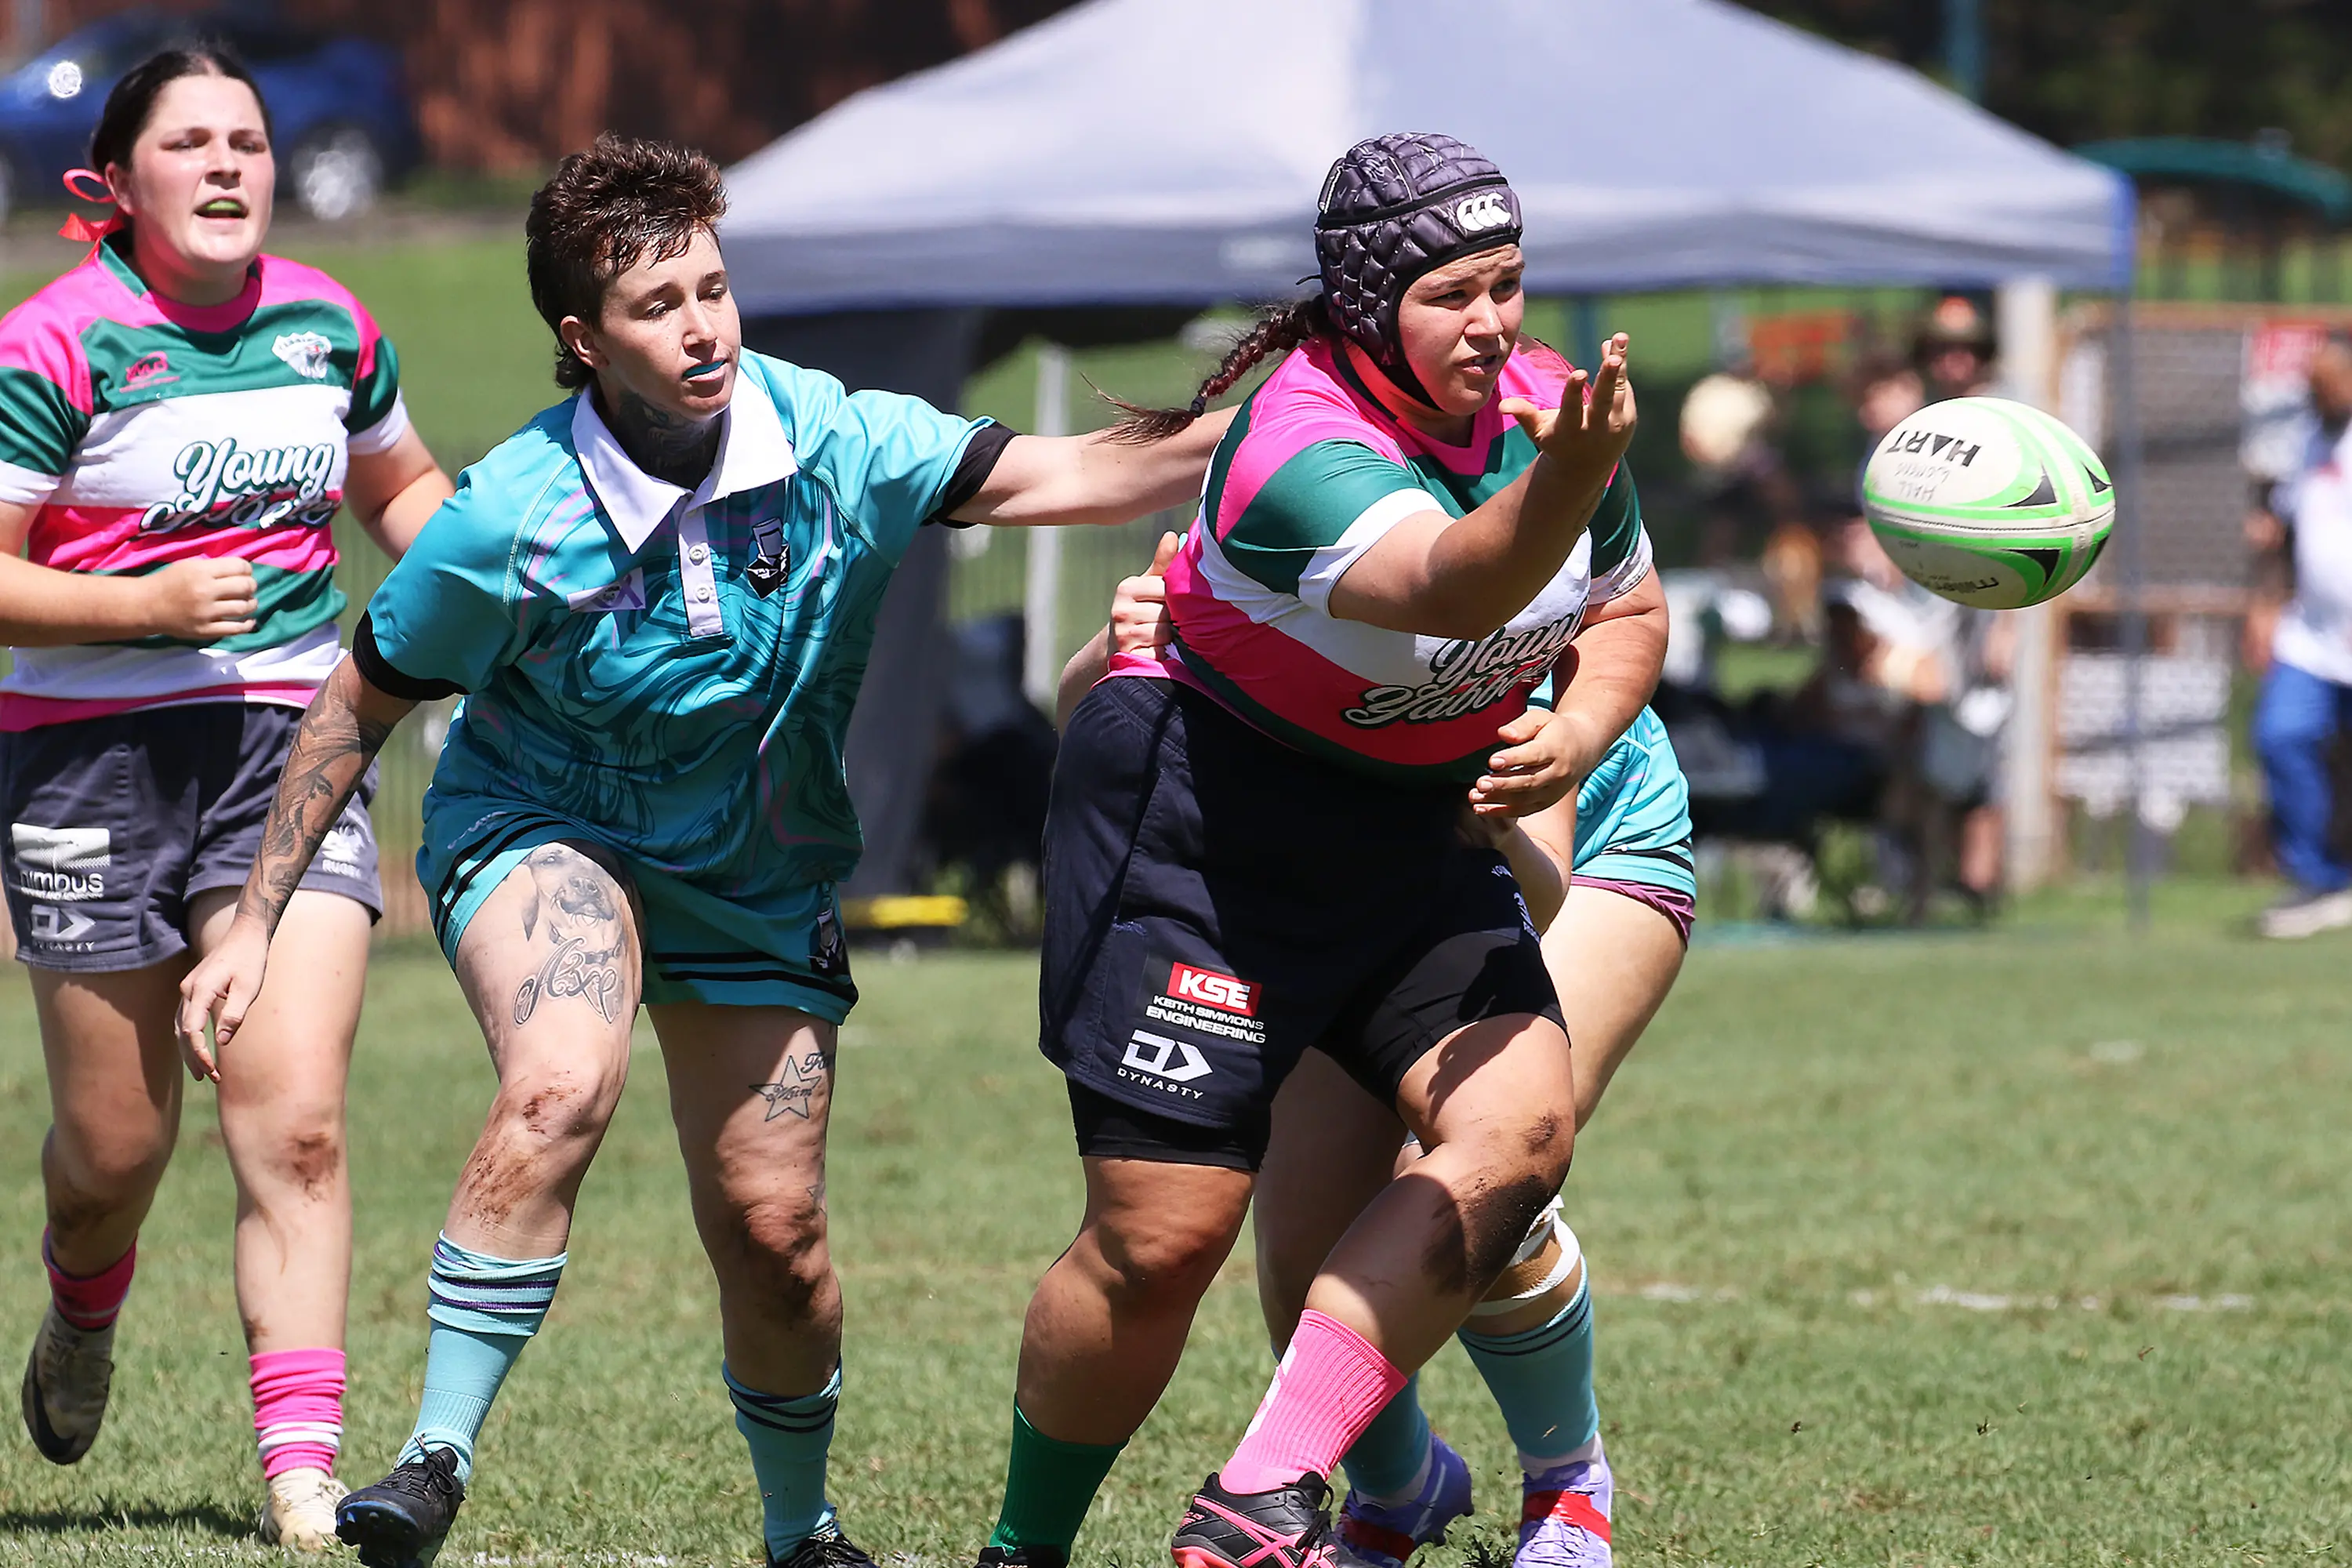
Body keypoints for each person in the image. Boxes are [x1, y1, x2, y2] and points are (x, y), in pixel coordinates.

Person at [176, 134, 1231, 1568]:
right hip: (546, 823)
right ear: (581, 338)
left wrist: (1290, 420)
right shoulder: (511, 516)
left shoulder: (838, 443)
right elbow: (358, 695)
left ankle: (802, 1533)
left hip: (755, 865)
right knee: (562, 1081)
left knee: (775, 1233)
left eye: (714, 288)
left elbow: (1079, 473)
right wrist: (250, 920)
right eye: (658, 304)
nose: (702, 326)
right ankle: (432, 1461)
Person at [968, 132, 1637, 1568]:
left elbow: (1627, 615)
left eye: (1512, 285)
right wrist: (1571, 479)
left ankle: (1264, 1495)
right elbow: (1456, 585)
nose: (1496, 324)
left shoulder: (1543, 415)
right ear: (1366, 300)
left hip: (1407, 830)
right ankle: (1024, 1549)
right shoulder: (1300, 446)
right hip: (1206, 832)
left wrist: (1575, 736)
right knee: (1163, 1246)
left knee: (1520, 1129)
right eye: (1455, 293)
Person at [0, 45, 452, 1550]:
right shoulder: (57, 346)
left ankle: (302, 1479)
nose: (227, 167)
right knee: (117, 1152)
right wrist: (139, 611)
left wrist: (516, 588)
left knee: (297, 1120)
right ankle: (82, 1302)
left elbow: (404, 498)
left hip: (289, 749)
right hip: (90, 760)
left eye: (248, 142)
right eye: (188, 143)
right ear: (114, 183)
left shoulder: (332, 325)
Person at [1053, 503, 1690, 1568]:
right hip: (1355, 859)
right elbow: (1095, 723)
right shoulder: (1286, 493)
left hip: (1567, 846)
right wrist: (1116, 649)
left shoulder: (1496, 569)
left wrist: (1474, 816)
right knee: (1306, 1240)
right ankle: (1398, 1490)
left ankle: (1568, 1483)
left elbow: (1536, 889)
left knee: (1481, 1165)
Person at [2249, 330, 2352, 938]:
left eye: (2334, 374)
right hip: (2312, 636)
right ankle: (2318, 878)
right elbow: (2283, 532)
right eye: (2314, 378)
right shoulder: (2309, 441)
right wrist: (2265, 604)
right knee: (2281, 736)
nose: (2322, 386)